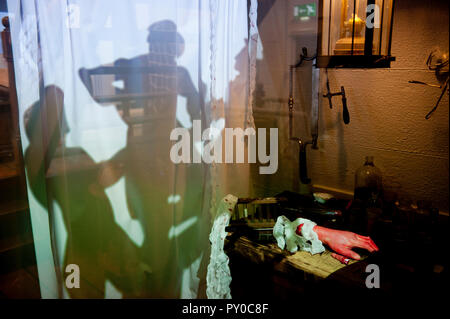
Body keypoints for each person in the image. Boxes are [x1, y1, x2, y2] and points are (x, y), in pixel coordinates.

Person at [24, 85, 144, 298]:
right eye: (55, 120)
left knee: (141, 287)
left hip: (109, 239)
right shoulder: (39, 162)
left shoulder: (72, 154)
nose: (63, 129)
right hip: (84, 251)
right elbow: (54, 95)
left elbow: (100, 178)